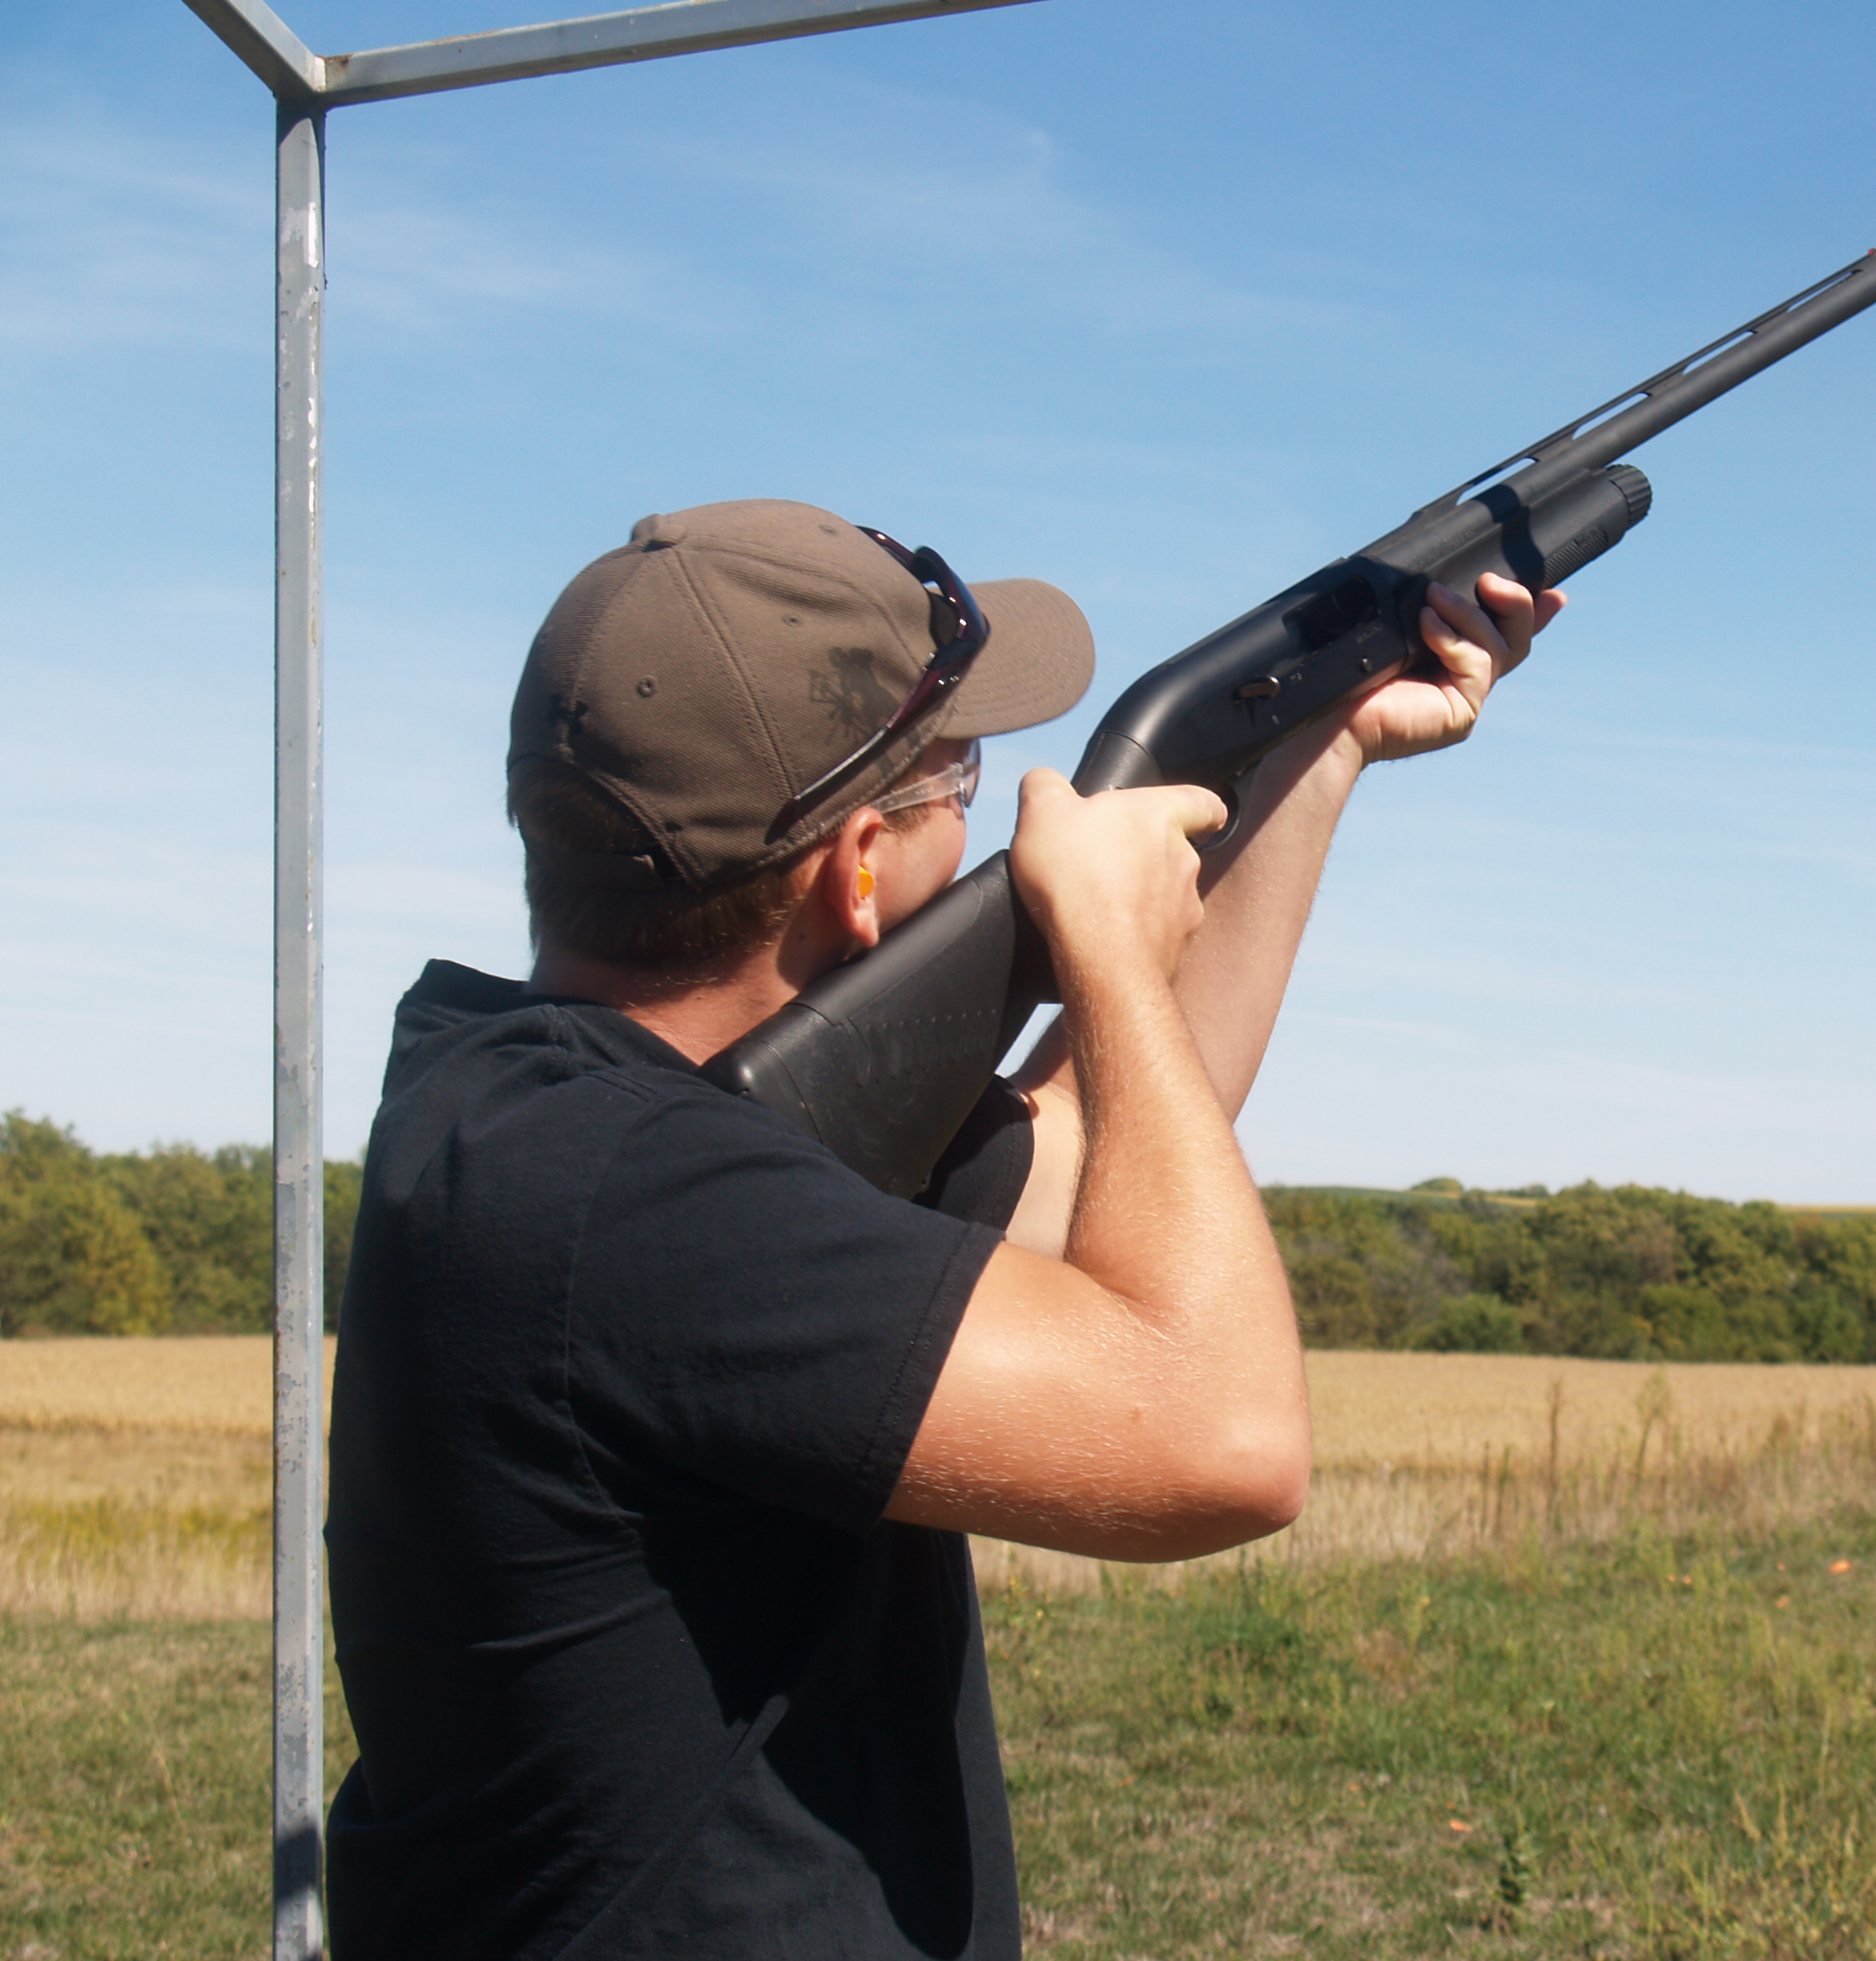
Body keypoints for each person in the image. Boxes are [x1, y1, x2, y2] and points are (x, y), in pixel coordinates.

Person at [322, 498, 1562, 1958]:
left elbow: (1097, 1148)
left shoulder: (565, 1114)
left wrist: (1324, 745)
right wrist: (1101, 946)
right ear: (858, 869)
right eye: (961, 776)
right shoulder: (627, 1192)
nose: (998, 805)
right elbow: (1226, 1446)